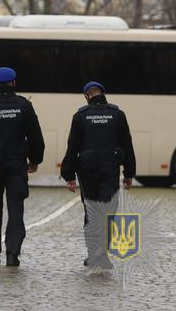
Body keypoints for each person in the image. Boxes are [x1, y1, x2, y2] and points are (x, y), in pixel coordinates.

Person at [0, 66, 44, 267]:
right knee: (16, 211)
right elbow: (35, 135)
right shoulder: (24, 106)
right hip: (16, 166)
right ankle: (13, 253)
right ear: (14, 83)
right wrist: (35, 160)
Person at [60, 81, 136, 268]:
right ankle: (103, 254)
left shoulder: (80, 116)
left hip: (87, 171)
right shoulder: (118, 114)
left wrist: (68, 175)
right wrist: (129, 173)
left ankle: (94, 254)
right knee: (108, 211)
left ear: (87, 96)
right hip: (110, 168)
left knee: (91, 211)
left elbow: (73, 147)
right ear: (103, 93)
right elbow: (127, 144)